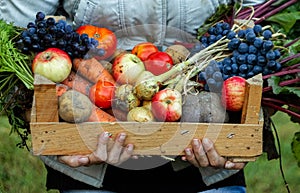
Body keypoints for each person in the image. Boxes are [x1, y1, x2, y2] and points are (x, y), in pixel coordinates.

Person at [1, 0, 266, 192]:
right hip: (90, 163)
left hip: (207, 159)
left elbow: (257, 45)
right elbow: (18, 39)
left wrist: (240, 140)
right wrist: (51, 133)